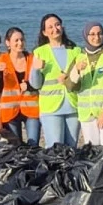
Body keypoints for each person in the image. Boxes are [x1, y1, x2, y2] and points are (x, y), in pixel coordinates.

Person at [28, 13, 83, 148]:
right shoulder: (40, 52)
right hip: (51, 108)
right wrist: (36, 69)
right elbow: (35, 84)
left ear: (62, 27)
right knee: (55, 148)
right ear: (44, 32)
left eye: (57, 25)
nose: (55, 29)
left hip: (73, 105)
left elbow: (81, 78)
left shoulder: (75, 50)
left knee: (72, 148)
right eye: (50, 27)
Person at [69, 21, 103, 146]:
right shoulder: (79, 57)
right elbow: (70, 86)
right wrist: (76, 70)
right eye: (92, 34)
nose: (96, 37)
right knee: (92, 150)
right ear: (86, 35)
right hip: (87, 114)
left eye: (99, 34)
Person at [0, 27, 40, 145]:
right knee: (15, 146)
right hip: (9, 110)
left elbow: (41, 83)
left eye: (22, 40)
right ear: (8, 43)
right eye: (16, 40)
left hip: (31, 109)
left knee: (33, 145)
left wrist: (30, 86)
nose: (20, 43)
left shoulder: (32, 59)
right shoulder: (0, 61)